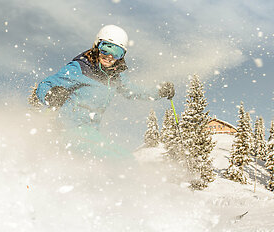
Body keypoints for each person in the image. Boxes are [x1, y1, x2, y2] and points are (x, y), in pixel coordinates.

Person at [35, 25, 175, 157]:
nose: (110, 56)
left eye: (117, 52)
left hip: (89, 133)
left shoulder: (115, 77)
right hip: (68, 130)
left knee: (125, 160)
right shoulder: (81, 68)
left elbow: (134, 91)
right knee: (121, 162)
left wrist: (159, 92)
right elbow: (45, 84)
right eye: (106, 49)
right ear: (97, 46)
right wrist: (50, 95)